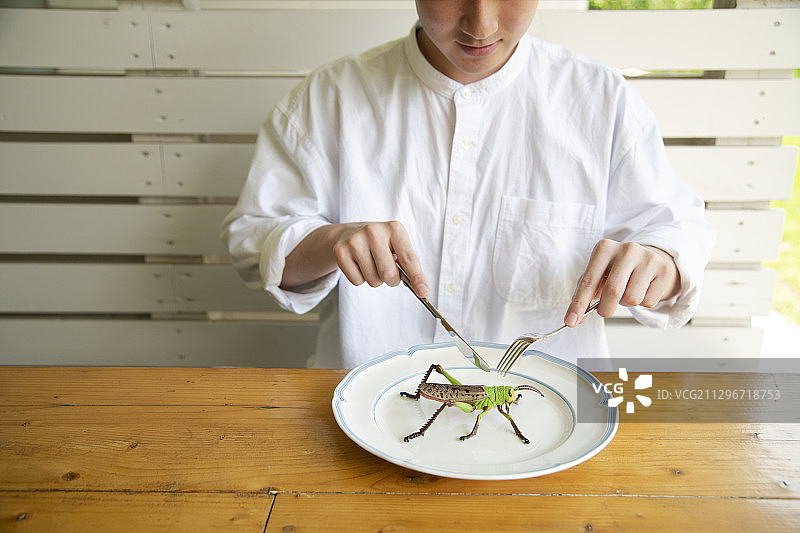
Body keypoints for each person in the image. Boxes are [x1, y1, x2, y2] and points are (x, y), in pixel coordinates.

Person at [221, 0, 716, 369]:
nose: (481, 24)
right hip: (364, 416)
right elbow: (253, 246)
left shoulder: (601, 102)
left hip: (550, 422)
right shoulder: (328, 100)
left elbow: (676, 233)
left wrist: (659, 262)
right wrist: (327, 242)